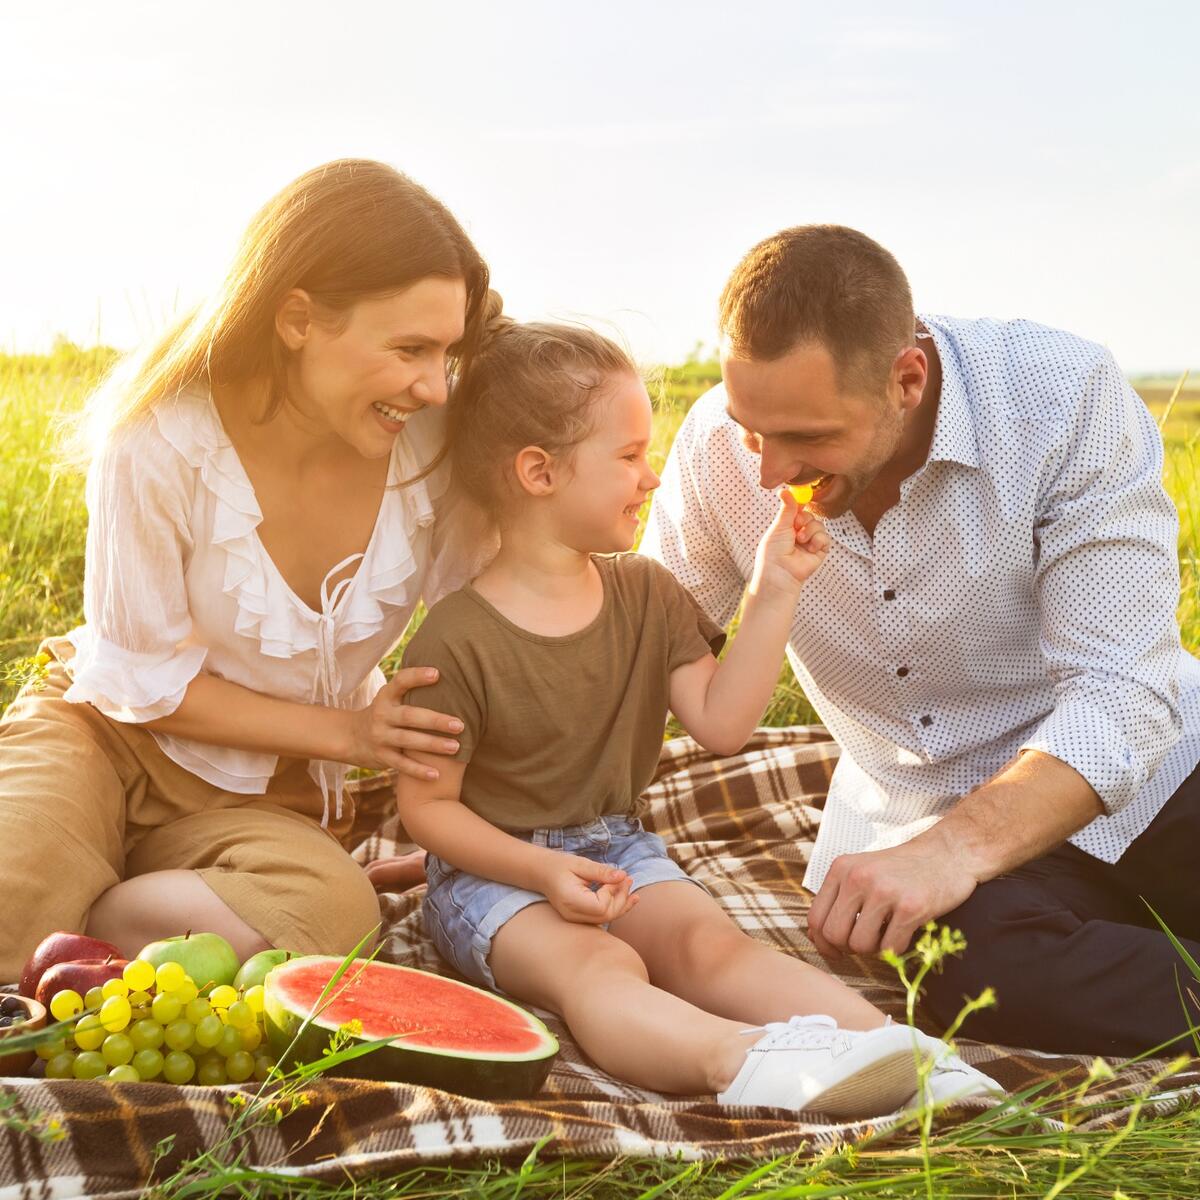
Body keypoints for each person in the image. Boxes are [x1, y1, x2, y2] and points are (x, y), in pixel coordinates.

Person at [367, 307, 1003, 1114]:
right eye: (630, 456)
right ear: (539, 472)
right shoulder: (456, 638)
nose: (652, 475)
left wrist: (776, 588)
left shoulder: (645, 593)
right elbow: (427, 812)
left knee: (709, 945)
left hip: (617, 849)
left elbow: (723, 723)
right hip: (495, 879)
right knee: (600, 971)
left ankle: (900, 1056)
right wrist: (539, 870)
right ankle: (744, 1065)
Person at [642, 224, 1200, 1057]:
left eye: (808, 438)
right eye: (752, 429)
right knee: (964, 972)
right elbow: (634, 653)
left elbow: (1123, 691)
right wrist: (511, 828)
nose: (768, 471)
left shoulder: (1060, 398)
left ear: (907, 378)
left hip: (1157, 777)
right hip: (935, 826)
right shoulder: (721, 453)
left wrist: (956, 851)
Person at [0, 159, 484, 980]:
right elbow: (142, 681)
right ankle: (66, 903)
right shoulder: (159, 438)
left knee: (332, 911)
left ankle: (77, 925)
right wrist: (352, 733)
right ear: (297, 318)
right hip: (102, 734)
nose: (435, 386)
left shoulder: (432, 458)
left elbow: (493, 631)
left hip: (264, 795)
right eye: (409, 348)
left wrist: (480, 845)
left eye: (447, 352)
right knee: (13, 884)